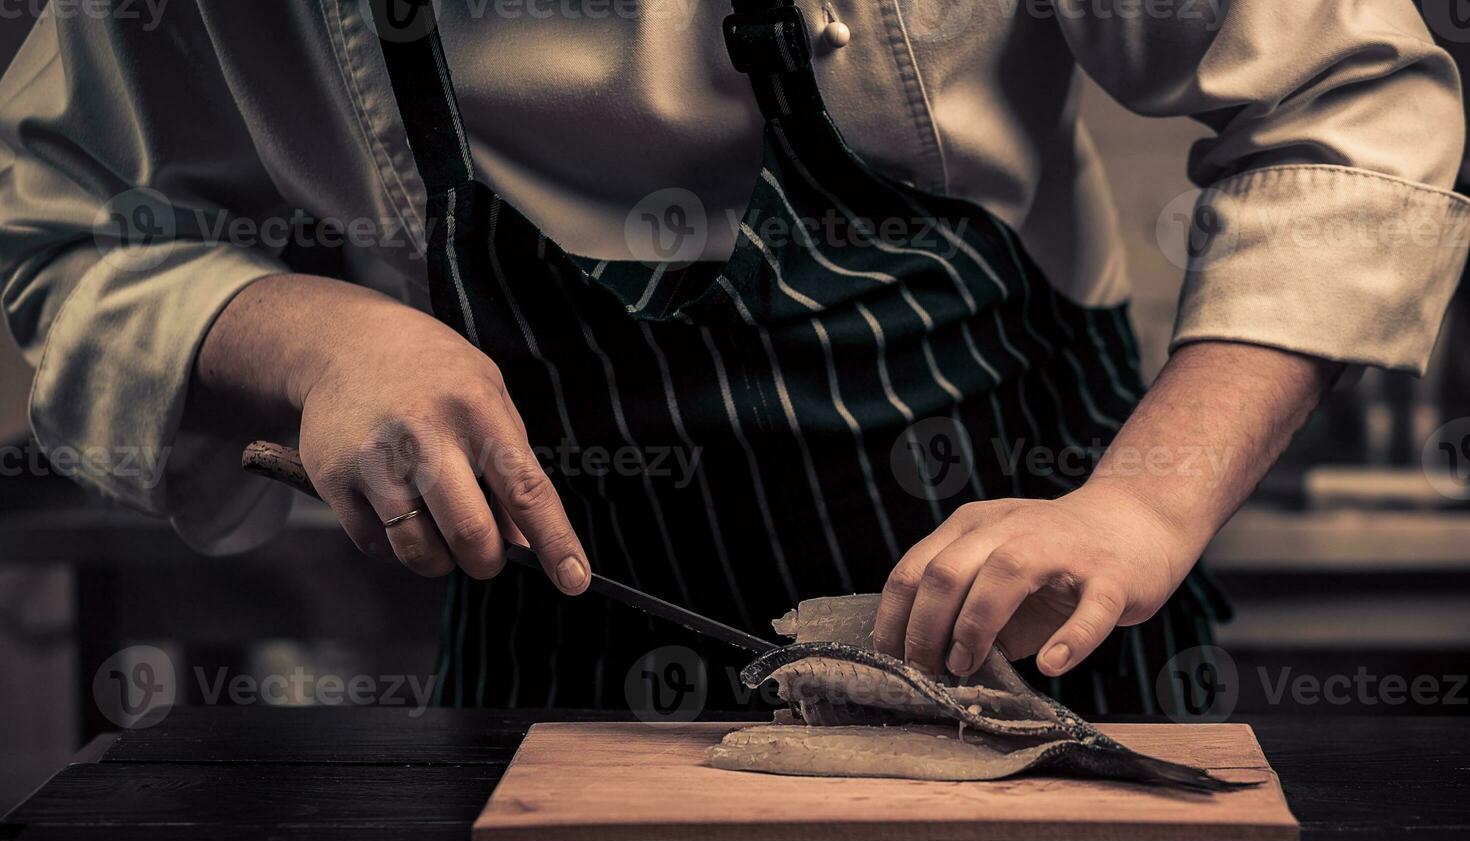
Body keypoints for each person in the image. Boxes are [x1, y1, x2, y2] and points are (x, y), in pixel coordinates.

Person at [2, 1, 1466, 712]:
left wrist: (1142, 501)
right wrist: (310, 338)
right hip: (556, 701)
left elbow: (1341, 110)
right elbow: (59, 241)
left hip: (1063, 662)